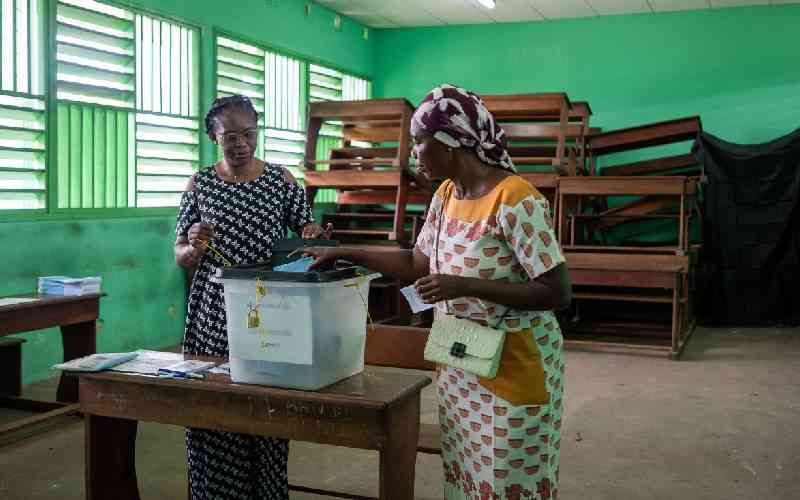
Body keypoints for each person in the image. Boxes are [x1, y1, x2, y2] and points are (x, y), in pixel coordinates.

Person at [304, 84, 571, 499]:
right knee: (463, 473)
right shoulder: (445, 196)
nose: (412, 154)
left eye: (419, 142)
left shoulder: (516, 200)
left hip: (513, 358)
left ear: (451, 142)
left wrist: (461, 285)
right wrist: (344, 251)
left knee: (507, 478)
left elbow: (556, 292)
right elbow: (416, 262)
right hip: (460, 354)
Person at [174, 94, 330, 499]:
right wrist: (194, 247)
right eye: (230, 136)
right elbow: (181, 255)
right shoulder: (200, 182)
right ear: (213, 136)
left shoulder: (281, 180)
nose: (240, 143)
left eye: (249, 134)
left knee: (267, 404)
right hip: (214, 313)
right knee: (213, 404)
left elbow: (306, 234)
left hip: (270, 308)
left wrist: (312, 235)